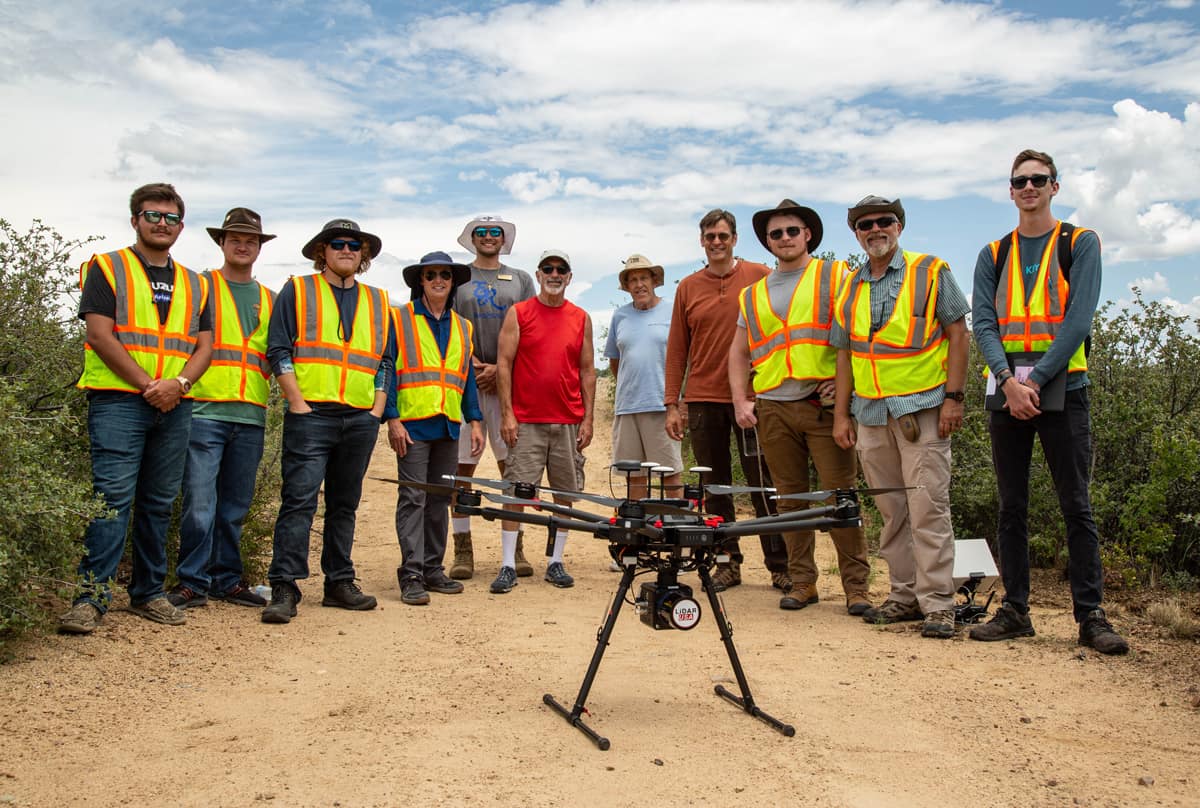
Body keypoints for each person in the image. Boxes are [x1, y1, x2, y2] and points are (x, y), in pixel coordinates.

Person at [969, 149, 1128, 654]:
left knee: (1075, 504)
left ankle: (1091, 616)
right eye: (1020, 181)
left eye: (1039, 179)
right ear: (1010, 190)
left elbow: (1079, 319)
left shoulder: (1080, 243)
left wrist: (1032, 380)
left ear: (1055, 186)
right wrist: (1006, 380)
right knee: (1011, 505)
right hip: (1006, 391)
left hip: (1064, 389)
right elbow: (984, 323)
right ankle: (1016, 610)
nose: (1029, 187)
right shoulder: (993, 253)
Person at [59, 182, 213, 634]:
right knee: (111, 500)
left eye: (170, 218)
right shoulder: (108, 268)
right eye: (152, 215)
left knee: (159, 503)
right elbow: (99, 334)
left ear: (181, 226)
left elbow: (204, 346)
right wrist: (151, 386)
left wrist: (179, 384)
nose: (161, 224)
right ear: (135, 220)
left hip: (176, 404)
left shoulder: (194, 282)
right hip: (119, 402)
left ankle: (148, 593)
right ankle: (91, 598)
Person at [831, 196, 968, 640]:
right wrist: (842, 415)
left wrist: (954, 399)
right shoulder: (850, 286)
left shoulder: (931, 271)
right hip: (870, 413)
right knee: (892, 512)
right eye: (865, 224)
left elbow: (958, 334)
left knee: (928, 507)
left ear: (900, 226)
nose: (875, 229)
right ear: (856, 233)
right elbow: (845, 356)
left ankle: (938, 605)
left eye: (884, 221)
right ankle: (903, 596)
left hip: (923, 409)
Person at [730, 200, 871, 614]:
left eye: (792, 230)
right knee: (790, 501)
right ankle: (803, 582)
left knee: (840, 498)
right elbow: (738, 353)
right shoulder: (752, 294)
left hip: (824, 407)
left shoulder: (836, 275)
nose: (785, 238)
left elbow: (858, 333)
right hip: (774, 408)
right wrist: (742, 399)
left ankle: (857, 588)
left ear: (808, 234)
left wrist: (848, 389)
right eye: (776, 234)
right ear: (768, 242)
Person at [261, 219, 395, 624]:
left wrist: (376, 410)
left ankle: (339, 581)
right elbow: (278, 348)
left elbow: (385, 361)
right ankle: (285, 585)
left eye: (355, 245)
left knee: (344, 504)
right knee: (299, 500)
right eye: (337, 243)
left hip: (359, 418)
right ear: (323, 250)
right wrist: (297, 402)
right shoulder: (298, 290)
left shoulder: (378, 300)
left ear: (364, 254)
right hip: (311, 414)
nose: (347, 250)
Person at [664, 209, 789, 592]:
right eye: (709, 236)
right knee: (713, 486)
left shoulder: (760, 276)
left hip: (752, 399)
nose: (716, 242)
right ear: (702, 241)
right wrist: (673, 402)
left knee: (762, 483)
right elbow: (676, 349)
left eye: (722, 236)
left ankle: (780, 565)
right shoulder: (688, 286)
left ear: (734, 239)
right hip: (703, 398)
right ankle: (727, 562)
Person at [167, 208, 276, 610]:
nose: (243, 245)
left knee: (234, 506)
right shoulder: (199, 287)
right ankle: (192, 583)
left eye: (251, 240)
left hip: (250, 414)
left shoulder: (270, 299)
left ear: (259, 247)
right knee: (199, 504)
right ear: (222, 243)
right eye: (235, 239)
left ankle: (226, 580)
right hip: (204, 412)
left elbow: (277, 352)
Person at [492, 249, 596, 594]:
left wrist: (588, 418)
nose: (554, 274)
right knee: (516, 491)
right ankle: (508, 564)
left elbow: (586, 370)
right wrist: (508, 413)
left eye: (561, 270)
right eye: (548, 269)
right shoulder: (519, 313)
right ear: (538, 275)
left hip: (567, 419)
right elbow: (504, 363)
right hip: (527, 420)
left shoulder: (580, 317)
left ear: (569, 277)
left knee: (563, 494)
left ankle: (555, 561)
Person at [385, 251, 485, 606]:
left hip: (447, 425)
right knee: (413, 498)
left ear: (452, 281)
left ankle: (432, 569)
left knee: (440, 499)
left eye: (445, 274)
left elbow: (466, 378)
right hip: (411, 425)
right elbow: (388, 370)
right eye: (431, 275)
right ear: (420, 282)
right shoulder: (399, 320)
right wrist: (392, 417)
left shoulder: (463, 326)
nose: (439, 280)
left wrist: (475, 420)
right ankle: (411, 574)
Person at [449, 215, 537, 580]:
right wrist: (474, 366)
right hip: (466, 383)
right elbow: (448, 324)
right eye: (481, 233)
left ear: (504, 239)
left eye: (494, 233)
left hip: (508, 385)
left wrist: (500, 370)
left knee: (511, 468)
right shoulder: (457, 278)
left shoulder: (520, 279)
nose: (488, 238)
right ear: (471, 239)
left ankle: (515, 548)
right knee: (461, 470)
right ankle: (462, 550)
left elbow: (532, 327)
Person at [604, 254, 681, 500]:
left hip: (662, 406)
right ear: (627, 287)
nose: (639, 284)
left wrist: (679, 404)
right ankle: (638, 533)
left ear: (654, 280)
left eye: (643, 278)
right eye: (633, 280)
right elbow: (615, 362)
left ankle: (674, 532)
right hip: (627, 408)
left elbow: (684, 357)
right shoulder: (620, 316)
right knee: (634, 476)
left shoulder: (672, 310)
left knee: (670, 474)